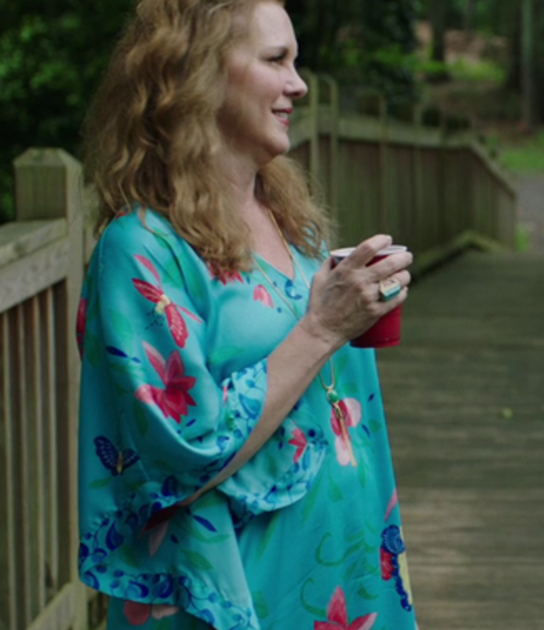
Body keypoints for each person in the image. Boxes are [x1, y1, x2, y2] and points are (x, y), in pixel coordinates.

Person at [75, 0, 418, 628]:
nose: (299, 84)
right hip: (232, 600)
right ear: (199, 73)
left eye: (296, 60)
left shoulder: (295, 226)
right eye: (275, 60)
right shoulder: (143, 249)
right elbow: (184, 449)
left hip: (343, 580)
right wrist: (322, 328)